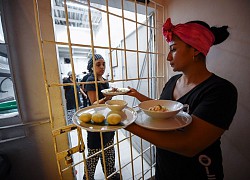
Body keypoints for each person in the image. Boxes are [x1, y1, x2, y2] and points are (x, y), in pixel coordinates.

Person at [125, 18, 238, 180]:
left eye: (174, 49)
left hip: (197, 172)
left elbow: (188, 145)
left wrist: (124, 122)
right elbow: (161, 110)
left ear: (195, 50)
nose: (168, 58)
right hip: (165, 170)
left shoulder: (221, 91)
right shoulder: (172, 82)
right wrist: (135, 97)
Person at [83, 54, 120, 180]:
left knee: (109, 149)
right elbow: (93, 103)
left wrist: (112, 93)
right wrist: (108, 97)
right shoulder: (90, 80)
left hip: (106, 119)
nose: (102, 67)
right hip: (95, 122)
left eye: (103, 64)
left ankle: (111, 174)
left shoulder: (104, 80)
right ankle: (88, 177)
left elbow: (107, 99)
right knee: (94, 152)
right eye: (98, 64)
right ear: (91, 67)